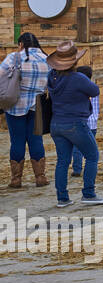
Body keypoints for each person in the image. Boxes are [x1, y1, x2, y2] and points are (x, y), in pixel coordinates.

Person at [46, 41, 103, 207]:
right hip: (75, 123)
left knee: (62, 161)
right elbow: (95, 91)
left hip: (56, 123)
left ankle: (62, 198)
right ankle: (88, 193)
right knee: (92, 155)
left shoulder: (51, 77)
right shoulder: (78, 78)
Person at [2, 32, 50, 188]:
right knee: (36, 140)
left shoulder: (14, 57)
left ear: (21, 44)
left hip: (16, 104)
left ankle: (16, 179)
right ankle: (40, 177)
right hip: (38, 105)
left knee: (17, 141)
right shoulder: (46, 58)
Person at [70, 65, 98, 178]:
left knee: (77, 148)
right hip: (93, 123)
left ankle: (77, 169)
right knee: (91, 148)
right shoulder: (95, 88)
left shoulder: (77, 90)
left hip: (81, 122)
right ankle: (90, 168)